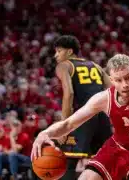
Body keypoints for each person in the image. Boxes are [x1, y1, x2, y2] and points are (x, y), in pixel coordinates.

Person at [31, 54, 129, 180]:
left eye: (128, 77)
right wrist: (44, 133)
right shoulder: (104, 99)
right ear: (112, 80)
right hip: (117, 150)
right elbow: (68, 124)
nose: (125, 85)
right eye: (119, 80)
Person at [53, 35, 113, 179]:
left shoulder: (64, 65)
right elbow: (112, 89)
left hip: (82, 116)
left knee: (67, 162)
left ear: (69, 51)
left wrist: (63, 127)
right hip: (102, 118)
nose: (56, 55)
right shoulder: (96, 66)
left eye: (59, 51)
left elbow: (69, 94)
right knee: (108, 163)